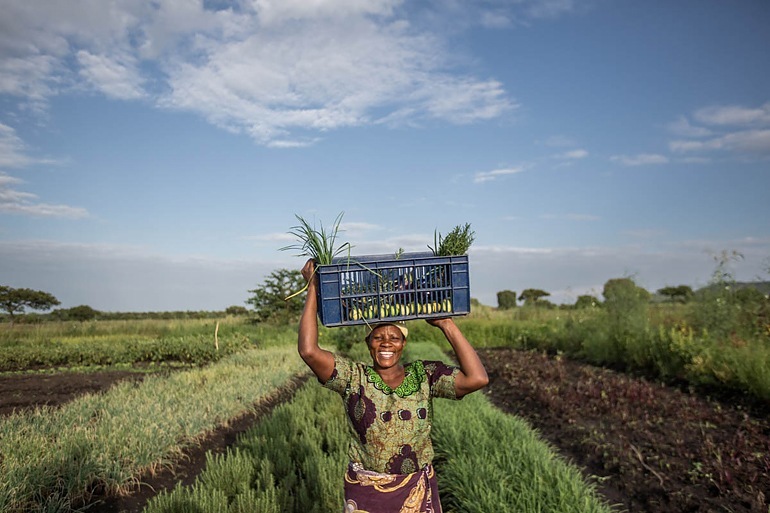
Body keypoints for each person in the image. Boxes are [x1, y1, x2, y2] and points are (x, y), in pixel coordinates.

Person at [298, 258, 489, 513]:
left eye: (394, 338)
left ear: (403, 344)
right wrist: (313, 288)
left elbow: (477, 379)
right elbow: (309, 351)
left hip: (416, 490)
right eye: (379, 338)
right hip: (367, 491)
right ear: (369, 343)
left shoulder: (424, 375)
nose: (386, 343)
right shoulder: (354, 377)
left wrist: (446, 324)